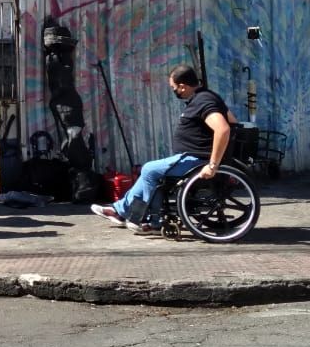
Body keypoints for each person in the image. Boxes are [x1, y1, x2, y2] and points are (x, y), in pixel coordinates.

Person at [90, 65, 237, 235]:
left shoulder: (203, 101)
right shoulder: (207, 97)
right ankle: (120, 211)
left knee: (149, 169)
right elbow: (233, 121)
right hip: (192, 157)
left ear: (183, 86)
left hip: (197, 160)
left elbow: (224, 129)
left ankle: (153, 222)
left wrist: (213, 165)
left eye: (174, 88)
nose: (175, 92)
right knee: (149, 172)